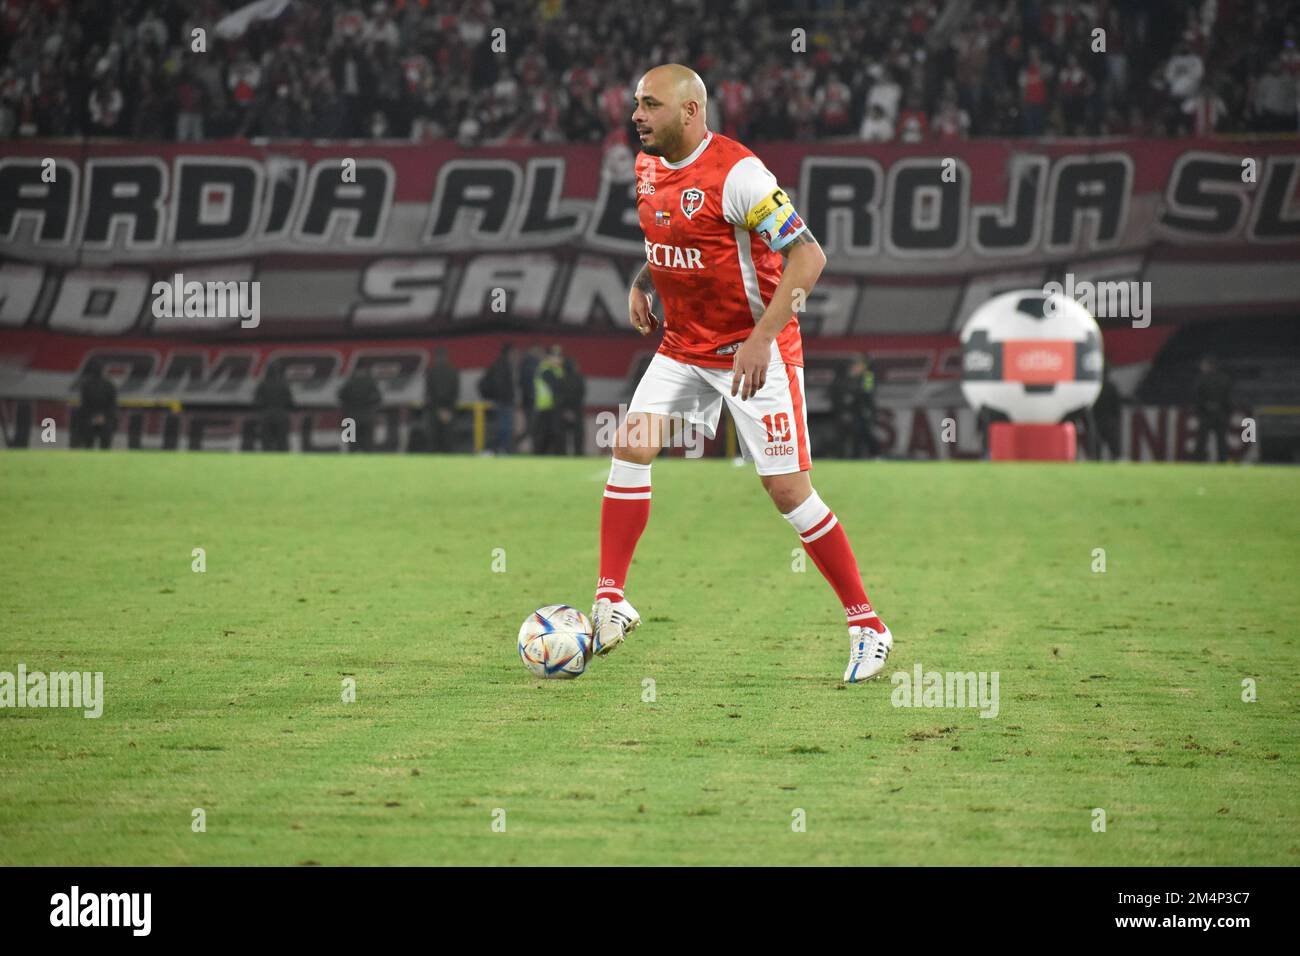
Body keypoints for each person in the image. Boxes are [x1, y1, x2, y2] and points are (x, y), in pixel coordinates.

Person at [590, 64, 893, 685]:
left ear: (691, 111)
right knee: (630, 443)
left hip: (756, 350)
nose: (637, 116)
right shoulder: (646, 165)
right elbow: (676, 235)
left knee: (788, 492)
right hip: (683, 344)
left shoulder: (741, 174)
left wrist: (759, 340)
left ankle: (868, 627)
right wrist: (645, 280)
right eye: (636, 104)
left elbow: (809, 256)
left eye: (650, 105)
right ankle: (611, 598)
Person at [832, 354, 879, 458]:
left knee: (864, 434)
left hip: (862, 410)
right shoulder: (845, 377)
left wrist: (867, 410)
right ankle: (843, 456)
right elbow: (837, 393)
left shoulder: (867, 376)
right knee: (843, 435)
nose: (858, 368)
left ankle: (870, 455)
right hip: (848, 411)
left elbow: (868, 392)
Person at [1193, 355, 1233, 462]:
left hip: (1206, 414)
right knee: (1221, 441)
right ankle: (1222, 461)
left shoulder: (1201, 379)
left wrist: (1200, 411)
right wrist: (1227, 413)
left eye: (1204, 365)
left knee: (1202, 441)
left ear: (1209, 365)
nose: (1202, 367)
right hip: (1221, 414)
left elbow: (1196, 397)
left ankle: (1198, 461)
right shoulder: (1225, 379)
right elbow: (1229, 398)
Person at [478, 344, 516, 454]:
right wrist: (505, 398)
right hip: (504, 402)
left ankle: (497, 449)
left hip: (503, 401)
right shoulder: (503, 365)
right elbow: (500, 385)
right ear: (510, 353)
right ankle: (493, 449)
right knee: (504, 429)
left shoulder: (501, 364)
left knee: (503, 428)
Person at [337, 367, 383, 452]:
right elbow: (378, 398)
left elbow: (340, 397)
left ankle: (353, 463)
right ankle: (367, 463)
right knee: (368, 445)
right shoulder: (370, 382)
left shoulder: (349, 383)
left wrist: (347, 407)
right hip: (368, 417)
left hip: (351, 417)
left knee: (352, 445)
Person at [531, 346, 566, 455]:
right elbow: (558, 386)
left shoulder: (557, 370)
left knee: (553, 435)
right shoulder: (545, 369)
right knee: (543, 436)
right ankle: (539, 456)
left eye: (559, 356)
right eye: (554, 356)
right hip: (544, 408)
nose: (557, 359)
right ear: (548, 357)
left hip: (553, 407)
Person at [424, 347, 460, 453]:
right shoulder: (453, 372)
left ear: (436, 357)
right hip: (448, 410)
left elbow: (429, 393)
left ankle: (433, 465)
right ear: (446, 357)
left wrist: (438, 409)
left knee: (434, 440)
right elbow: (455, 392)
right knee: (448, 440)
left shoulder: (431, 372)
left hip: (434, 410)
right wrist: (448, 409)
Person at [77, 361, 117, 449]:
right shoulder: (109, 385)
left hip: (89, 417)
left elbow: (84, 404)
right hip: (105, 418)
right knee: (105, 445)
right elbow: (112, 405)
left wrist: (92, 417)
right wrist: (103, 416)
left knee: (88, 445)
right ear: (103, 371)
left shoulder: (86, 385)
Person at [252, 365, 293, 451]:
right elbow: (290, 402)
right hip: (281, 415)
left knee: (266, 442)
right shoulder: (284, 384)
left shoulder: (262, 384)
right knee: (283, 441)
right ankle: (284, 461)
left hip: (266, 415)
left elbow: (257, 402)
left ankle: (267, 461)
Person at [560, 352, 587, 455]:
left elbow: (560, 396)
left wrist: (566, 410)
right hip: (577, 411)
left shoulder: (561, 379)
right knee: (578, 438)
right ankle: (578, 455)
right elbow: (580, 395)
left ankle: (561, 455)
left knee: (562, 439)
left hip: (563, 412)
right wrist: (573, 411)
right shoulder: (579, 379)